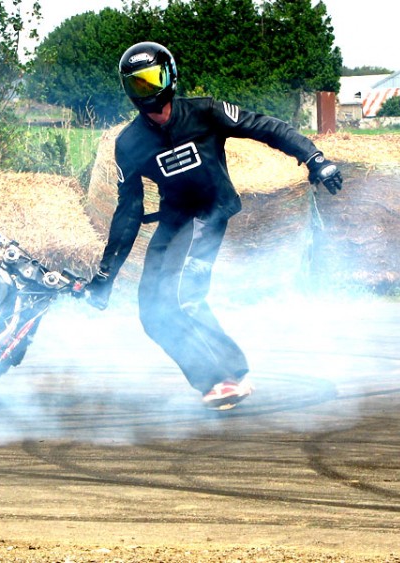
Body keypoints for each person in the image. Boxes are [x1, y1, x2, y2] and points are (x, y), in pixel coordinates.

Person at [86, 42, 343, 410]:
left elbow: (264, 127)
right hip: (174, 219)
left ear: (170, 77)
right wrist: (106, 276)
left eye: (151, 81)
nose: (146, 93)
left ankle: (229, 374)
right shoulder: (129, 143)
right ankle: (214, 379)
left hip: (209, 212)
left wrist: (315, 158)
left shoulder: (205, 111)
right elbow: (128, 212)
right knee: (151, 312)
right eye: (136, 86)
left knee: (184, 295)